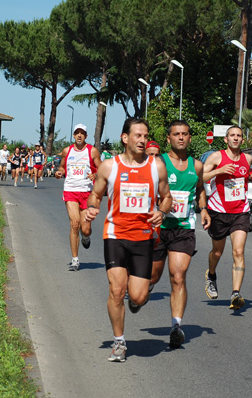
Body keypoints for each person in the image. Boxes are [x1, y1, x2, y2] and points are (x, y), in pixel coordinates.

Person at [84, 118, 172, 363]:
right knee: (116, 289)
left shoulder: (157, 167)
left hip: (144, 238)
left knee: (138, 296)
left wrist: (162, 212)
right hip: (115, 235)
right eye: (138, 135)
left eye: (145, 136)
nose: (143, 140)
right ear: (125, 138)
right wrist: (92, 208)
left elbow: (167, 197)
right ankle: (119, 343)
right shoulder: (110, 167)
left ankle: (136, 300)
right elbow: (95, 195)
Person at [149, 120, 211, 348]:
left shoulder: (197, 166)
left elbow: (200, 189)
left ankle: (176, 326)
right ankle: (145, 287)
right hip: (158, 228)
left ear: (190, 138)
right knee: (153, 276)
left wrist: (203, 209)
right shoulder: (158, 163)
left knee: (178, 275)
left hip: (183, 228)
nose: (181, 138)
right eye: (176, 134)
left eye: (185, 134)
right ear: (169, 139)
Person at [202, 126, 252, 310]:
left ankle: (235, 294)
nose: (235, 138)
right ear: (226, 139)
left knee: (238, 252)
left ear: (243, 140)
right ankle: (211, 275)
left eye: (239, 136)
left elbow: (244, 177)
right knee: (217, 252)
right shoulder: (216, 157)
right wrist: (219, 171)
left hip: (240, 211)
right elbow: (200, 176)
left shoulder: (248, 159)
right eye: (232, 135)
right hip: (219, 210)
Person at [55, 124, 102, 271]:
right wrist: (59, 172)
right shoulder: (67, 151)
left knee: (85, 229)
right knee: (74, 224)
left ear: (86, 136)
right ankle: (75, 259)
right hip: (70, 190)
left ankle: (86, 237)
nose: (79, 135)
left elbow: (102, 168)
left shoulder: (92, 151)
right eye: (77, 133)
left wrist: (96, 174)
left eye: (82, 133)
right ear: (73, 135)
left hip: (87, 192)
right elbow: (62, 166)